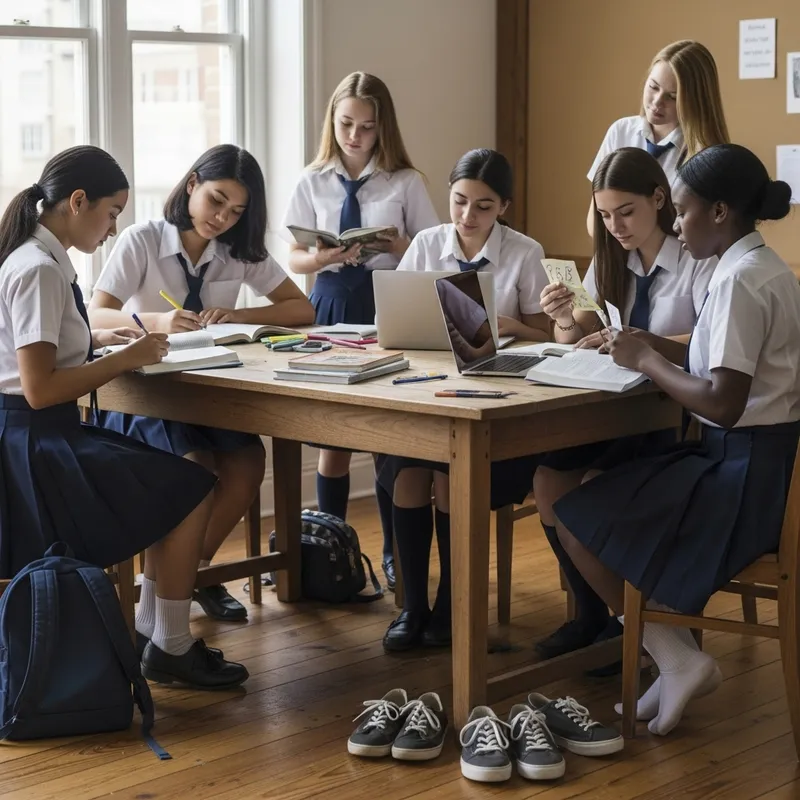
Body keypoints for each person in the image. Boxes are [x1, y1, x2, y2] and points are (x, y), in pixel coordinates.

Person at [554, 143, 799, 735]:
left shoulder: (740, 281)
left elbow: (722, 399)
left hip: (742, 478)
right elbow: (713, 358)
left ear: (719, 212)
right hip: (755, 462)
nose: (678, 226)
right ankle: (673, 658)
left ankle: (675, 655)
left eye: (683, 211)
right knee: (593, 491)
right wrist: (647, 343)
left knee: (575, 511)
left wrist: (645, 358)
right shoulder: (762, 268)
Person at [0, 145, 247, 688]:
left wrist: (97, 338)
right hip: (37, 446)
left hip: (34, 434)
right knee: (190, 487)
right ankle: (170, 644)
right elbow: (39, 389)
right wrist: (126, 359)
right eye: (111, 213)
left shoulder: (34, 258)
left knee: (177, 479)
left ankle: (154, 632)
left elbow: (34, 355)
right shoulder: (39, 269)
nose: (113, 229)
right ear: (78, 201)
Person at [88, 144, 314, 622]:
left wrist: (238, 313)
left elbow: (301, 310)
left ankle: (193, 574)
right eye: (216, 200)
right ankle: (177, 590)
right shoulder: (143, 239)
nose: (223, 218)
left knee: (249, 461)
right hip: (148, 393)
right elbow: (95, 312)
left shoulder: (237, 251)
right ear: (191, 184)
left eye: (236, 211)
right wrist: (154, 320)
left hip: (210, 393)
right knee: (198, 470)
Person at [534, 146, 715, 664]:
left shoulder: (695, 260)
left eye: (626, 212)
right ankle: (593, 614)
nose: (615, 225)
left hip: (675, 413)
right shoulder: (613, 258)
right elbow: (582, 333)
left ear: (659, 199)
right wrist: (564, 316)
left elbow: (706, 342)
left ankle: (631, 627)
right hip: (616, 409)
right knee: (548, 479)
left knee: (591, 487)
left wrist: (643, 341)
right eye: (605, 215)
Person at [377, 149, 551, 651]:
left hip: (499, 394)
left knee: (450, 471)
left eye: (483, 206)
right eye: (458, 202)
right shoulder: (428, 244)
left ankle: (452, 607)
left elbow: (547, 332)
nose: (467, 217)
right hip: (429, 385)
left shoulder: (525, 251)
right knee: (409, 466)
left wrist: (509, 325)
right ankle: (414, 607)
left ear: (504, 207)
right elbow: (396, 318)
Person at [282, 72, 440, 590]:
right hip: (328, 301)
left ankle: (395, 551)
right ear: (333, 121)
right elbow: (295, 257)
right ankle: (337, 550)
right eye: (346, 124)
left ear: (381, 128)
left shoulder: (405, 181)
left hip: (384, 302)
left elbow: (429, 248)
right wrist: (324, 255)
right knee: (334, 437)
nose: (354, 135)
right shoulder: (313, 179)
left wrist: (393, 245)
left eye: (366, 127)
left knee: (386, 437)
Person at [586, 40, 729, 236]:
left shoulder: (705, 154)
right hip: (618, 257)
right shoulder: (621, 131)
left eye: (672, 97)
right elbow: (596, 217)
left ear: (695, 101)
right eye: (653, 87)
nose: (657, 102)